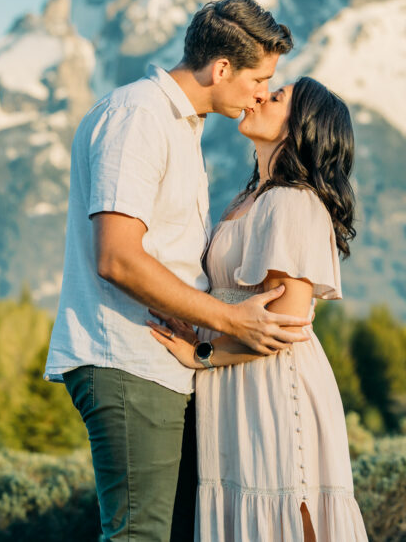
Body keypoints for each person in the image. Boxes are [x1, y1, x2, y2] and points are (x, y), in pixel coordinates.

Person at [44, 0, 308, 542]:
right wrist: (230, 320)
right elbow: (117, 256)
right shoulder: (139, 117)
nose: (262, 93)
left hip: (158, 361)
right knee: (140, 535)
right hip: (127, 355)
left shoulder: (178, 125)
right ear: (222, 69)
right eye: (260, 79)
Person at [148, 77, 369, 541]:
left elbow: (284, 327)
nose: (261, 95)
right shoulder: (250, 199)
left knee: (282, 514)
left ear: (301, 126)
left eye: (278, 96)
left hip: (273, 387)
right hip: (234, 388)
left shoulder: (292, 202)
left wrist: (202, 355)